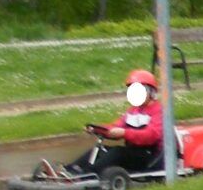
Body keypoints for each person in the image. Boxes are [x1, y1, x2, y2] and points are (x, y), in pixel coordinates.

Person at [40, 68, 168, 179]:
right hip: (132, 152)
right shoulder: (133, 111)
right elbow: (117, 126)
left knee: (118, 152)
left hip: (149, 156)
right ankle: (70, 170)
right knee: (101, 150)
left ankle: (86, 175)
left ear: (150, 92)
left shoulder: (158, 110)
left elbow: (152, 135)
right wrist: (100, 129)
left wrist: (124, 133)